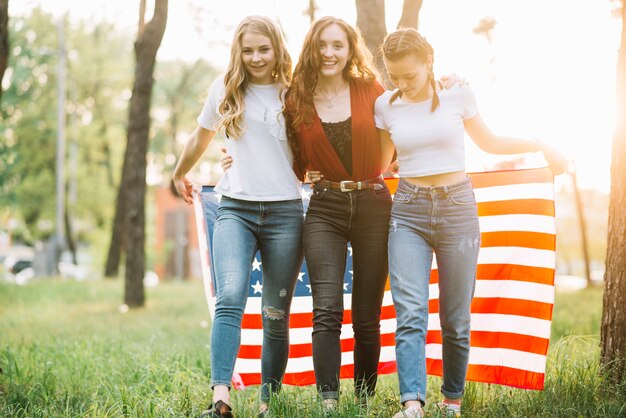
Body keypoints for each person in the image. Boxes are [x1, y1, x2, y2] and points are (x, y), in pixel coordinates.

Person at [375, 28, 566, 418]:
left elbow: (490, 143)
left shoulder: (457, 94)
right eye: (395, 77)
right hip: (408, 211)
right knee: (410, 311)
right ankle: (412, 403)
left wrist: (541, 144)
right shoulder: (385, 105)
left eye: (409, 75)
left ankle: (451, 401)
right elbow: (382, 164)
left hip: (457, 209)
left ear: (428, 61)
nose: (402, 84)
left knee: (455, 317)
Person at [171, 16, 303, 418]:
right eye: (248, 50)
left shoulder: (294, 92)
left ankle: (268, 403)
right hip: (235, 209)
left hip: (285, 212)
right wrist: (179, 172)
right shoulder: (226, 89)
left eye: (263, 49)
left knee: (275, 313)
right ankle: (221, 397)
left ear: (277, 48)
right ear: (238, 52)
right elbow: (201, 135)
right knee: (230, 298)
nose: (256, 57)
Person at [283, 16, 390, 410]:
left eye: (338, 45)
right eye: (322, 45)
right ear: (312, 49)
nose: (329, 53)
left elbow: (396, 130)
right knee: (326, 308)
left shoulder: (370, 89)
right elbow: (289, 154)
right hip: (324, 207)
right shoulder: (296, 98)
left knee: (366, 314)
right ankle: (329, 401)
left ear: (350, 50)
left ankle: (362, 402)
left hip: (372, 205)